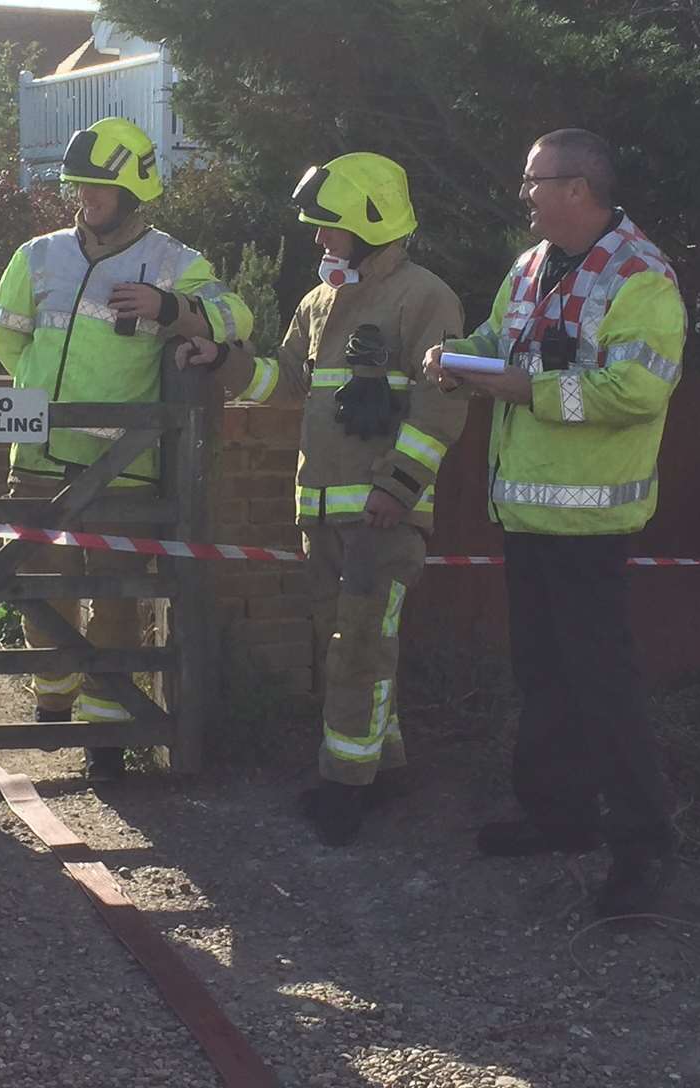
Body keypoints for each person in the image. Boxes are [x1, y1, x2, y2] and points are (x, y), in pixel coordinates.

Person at [429, 128, 686, 916]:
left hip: (591, 528)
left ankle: (642, 851)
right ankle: (559, 817)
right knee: (542, 676)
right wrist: (456, 356)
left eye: (534, 181)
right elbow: (498, 342)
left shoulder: (642, 277)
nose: (525, 194)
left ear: (579, 188)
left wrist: (521, 390)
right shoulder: (534, 265)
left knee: (603, 688)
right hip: (528, 514)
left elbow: (635, 393)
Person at [178, 152, 467, 845]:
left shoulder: (427, 298)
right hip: (322, 512)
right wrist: (222, 362)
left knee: (358, 647)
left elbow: (440, 407)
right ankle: (384, 765)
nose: (318, 242)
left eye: (328, 228)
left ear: (371, 224)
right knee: (348, 645)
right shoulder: (319, 302)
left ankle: (345, 786)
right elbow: (280, 380)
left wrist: (397, 489)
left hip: (382, 518)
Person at [0, 117, 254, 781]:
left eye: (100, 187)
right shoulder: (36, 256)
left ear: (135, 192)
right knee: (43, 591)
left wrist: (172, 310)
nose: (87, 198)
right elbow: (8, 341)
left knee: (114, 602)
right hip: (40, 455)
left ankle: (107, 735)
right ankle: (53, 702)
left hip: (123, 469)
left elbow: (238, 319)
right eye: (80, 185)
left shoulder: (175, 263)